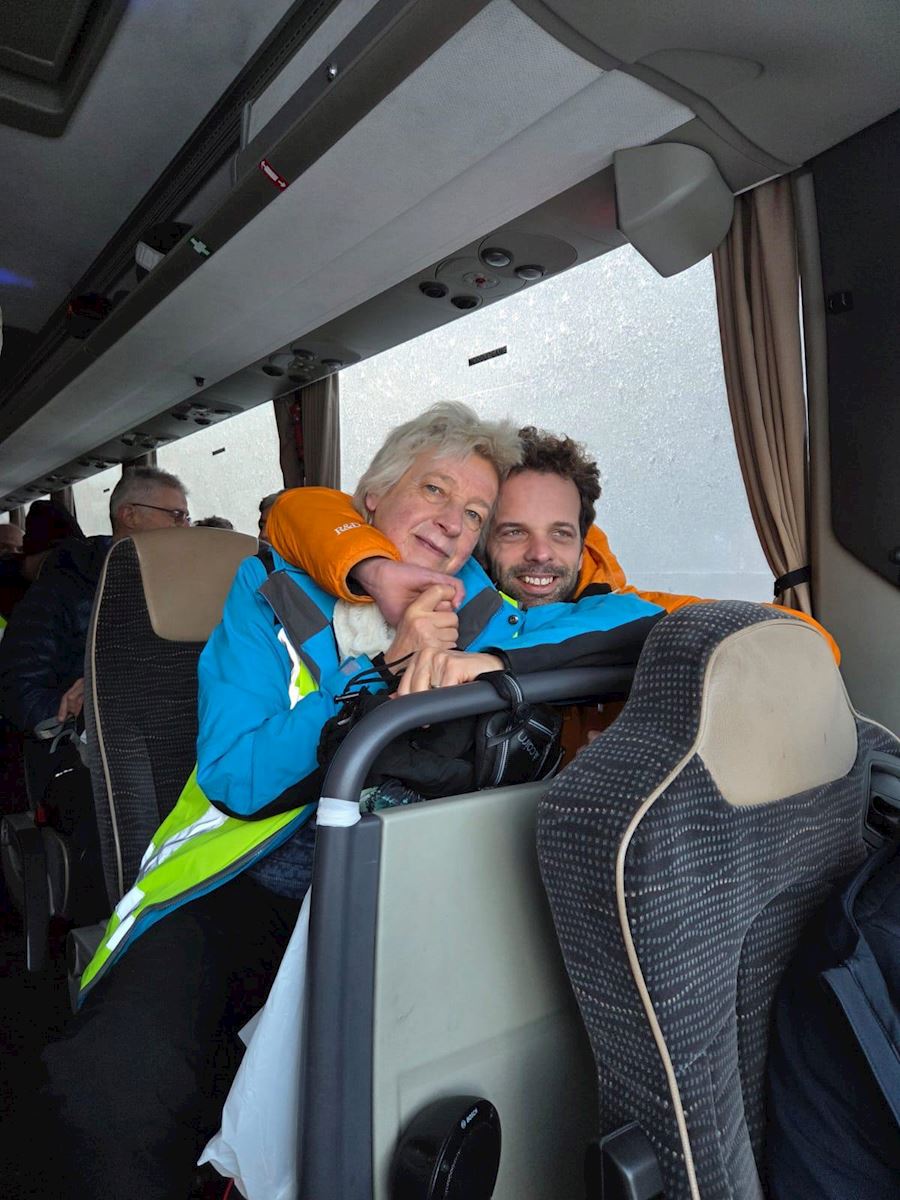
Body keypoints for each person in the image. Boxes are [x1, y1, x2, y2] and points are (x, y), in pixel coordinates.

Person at [40, 403, 662, 1200]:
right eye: (434, 491)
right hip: (249, 882)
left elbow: (637, 619)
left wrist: (490, 662)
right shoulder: (270, 593)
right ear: (371, 497)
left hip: (408, 894)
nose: (453, 524)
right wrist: (377, 681)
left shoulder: (493, 611)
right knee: (114, 1089)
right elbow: (237, 776)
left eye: (476, 514)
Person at [265, 425, 838, 749]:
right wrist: (372, 567)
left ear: (584, 541)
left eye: (560, 533)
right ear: (480, 537)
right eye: (513, 531)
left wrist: (498, 662)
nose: (540, 554)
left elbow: (804, 639)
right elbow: (297, 508)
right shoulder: (457, 599)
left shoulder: (625, 608)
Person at [0, 467, 188, 733]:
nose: (186, 527)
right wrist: (78, 712)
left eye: (187, 517)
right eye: (176, 515)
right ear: (130, 515)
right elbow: (18, 688)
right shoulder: (64, 586)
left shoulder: (184, 588)